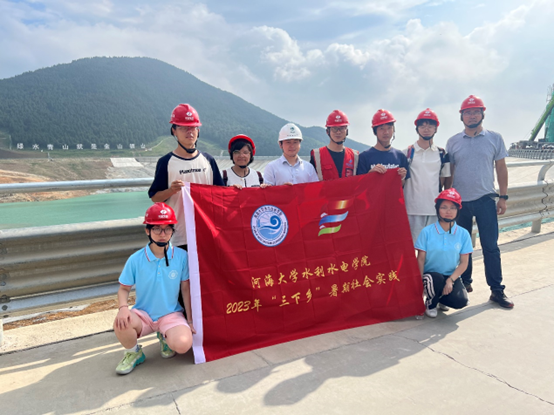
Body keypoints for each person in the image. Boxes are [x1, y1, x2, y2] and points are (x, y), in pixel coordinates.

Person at [446, 95, 514, 308]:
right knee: (461, 246)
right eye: (468, 112)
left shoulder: (494, 138)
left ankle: (497, 290)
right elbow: (450, 172)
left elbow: (501, 168)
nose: (472, 115)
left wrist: (503, 197)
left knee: (490, 247)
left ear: (482, 114)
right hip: (460, 203)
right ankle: (464, 283)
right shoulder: (453, 141)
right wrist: (447, 198)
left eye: (476, 112)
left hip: (486, 200)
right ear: (462, 116)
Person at [113, 203, 195, 375]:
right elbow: (124, 289)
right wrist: (123, 308)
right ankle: (134, 352)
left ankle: (165, 336)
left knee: (183, 344)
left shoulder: (182, 256)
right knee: (121, 323)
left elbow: (186, 289)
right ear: (147, 231)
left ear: (173, 231)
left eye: (167, 229)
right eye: (157, 229)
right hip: (143, 315)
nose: (162, 234)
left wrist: (189, 320)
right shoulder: (135, 259)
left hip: (171, 314)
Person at [148, 103, 224, 250]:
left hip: (206, 232)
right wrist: (171, 191)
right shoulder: (166, 162)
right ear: (174, 131)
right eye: (183, 127)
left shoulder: (208, 160)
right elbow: (155, 198)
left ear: (198, 131)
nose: (189, 131)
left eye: (193, 127)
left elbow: (221, 194)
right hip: (178, 235)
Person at [415, 189, 471, 318]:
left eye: (452, 208)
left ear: (458, 210)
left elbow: (464, 263)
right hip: (430, 276)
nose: (448, 211)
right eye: (444, 207)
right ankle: (431, 304)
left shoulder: (463, 234)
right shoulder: (427, 232)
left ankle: (440, 299)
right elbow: (420, 259)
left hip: (449, 275)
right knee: (436, 279)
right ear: (437, 209)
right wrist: (418, 283)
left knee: (461, 301)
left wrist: (450, 280)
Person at [403, 108, 451, 244]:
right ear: (417, 128)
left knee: (432, 248)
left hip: (434, 209)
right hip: (411, 209)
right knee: (410, 248)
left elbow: (446, 182)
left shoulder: (442, 154)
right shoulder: (406, 153)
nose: (426, 129)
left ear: (436, 129)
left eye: (430, 126)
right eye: (422, 126)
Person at [356, 109, 409, 183]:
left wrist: (402, 178)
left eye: (389, 128)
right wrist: (370, 175)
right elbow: (359, 185)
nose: (386, 132)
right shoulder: (364, 157)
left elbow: (403, 185)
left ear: (393, 130)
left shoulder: (400, 156)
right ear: (375, 131)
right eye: (382, 129)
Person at [310, 110, 359, 180]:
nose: (338, 132)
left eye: (341, 128)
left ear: (347, 131)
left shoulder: (355, 156)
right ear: (327, 131)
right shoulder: (316, 156)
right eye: (334, 129)